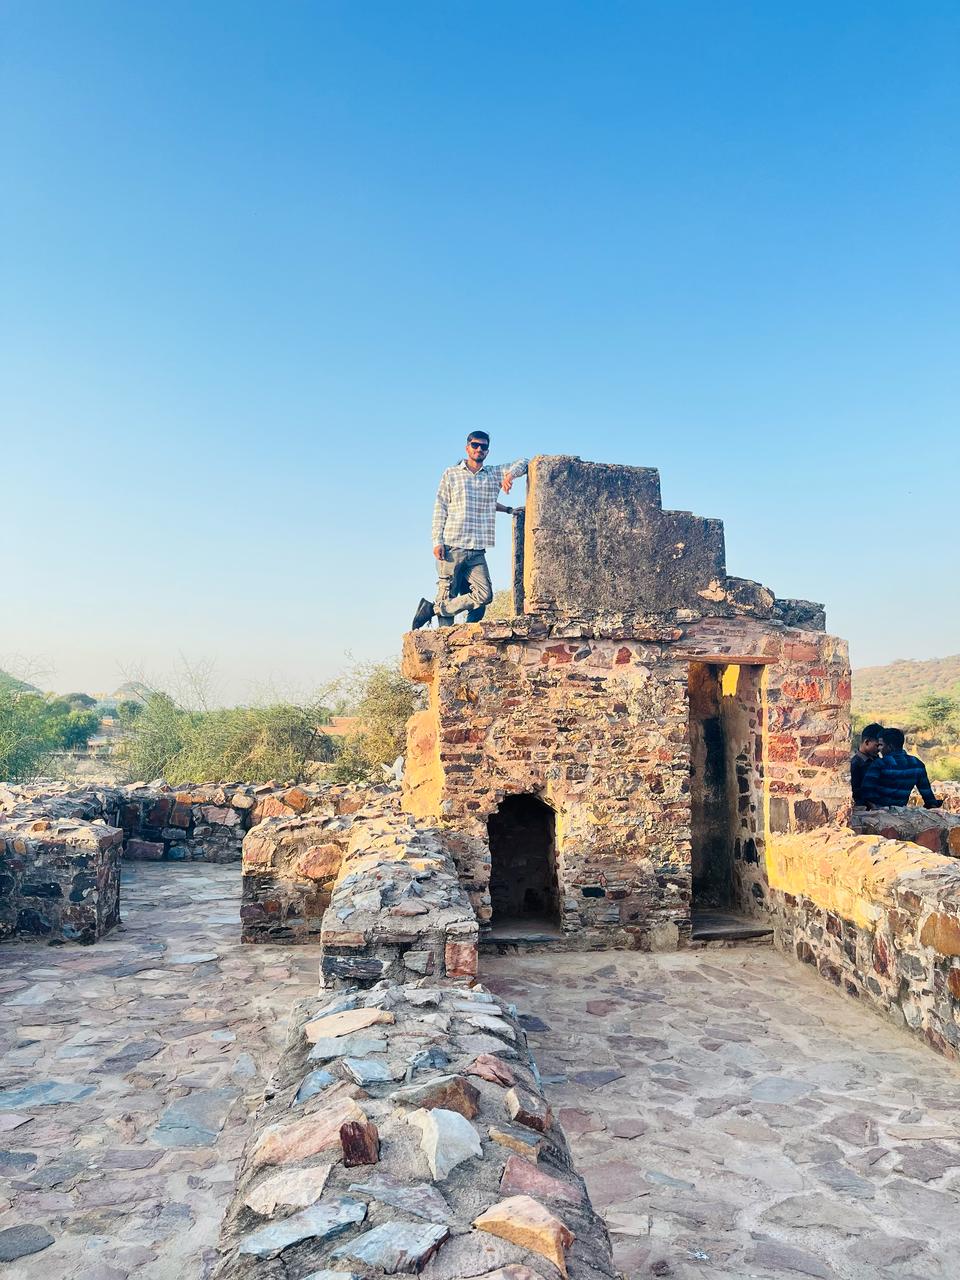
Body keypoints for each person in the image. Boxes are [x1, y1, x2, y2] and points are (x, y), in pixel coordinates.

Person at [412, 432, 527, 629]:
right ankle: (445, 647)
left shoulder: (493, 474)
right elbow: (440, 507)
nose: (479, 449)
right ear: (467, 448)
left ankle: (432, 609)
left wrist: (509, 475)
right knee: (448, 593)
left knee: (485, 595)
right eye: (475, 445)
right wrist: (436, 541)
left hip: (477, 549)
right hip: (452, 545)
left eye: (483, 447)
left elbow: (525, 462)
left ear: (488, 451)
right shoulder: (451, 473)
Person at [862, 726, 943, 809]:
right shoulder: (917, 764)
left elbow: (866, 792)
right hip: (900, 812)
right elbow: (928, 796)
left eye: (881, 745)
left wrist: (878, 810)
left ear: (890, 747)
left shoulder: (880, 764)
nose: (878, 748)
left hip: (879, 813)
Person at [850, 723, 884, 808]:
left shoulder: (878, 760)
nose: (879, 749)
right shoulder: (855, 764)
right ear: (867, 742)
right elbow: (855, 792)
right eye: (877, 745)